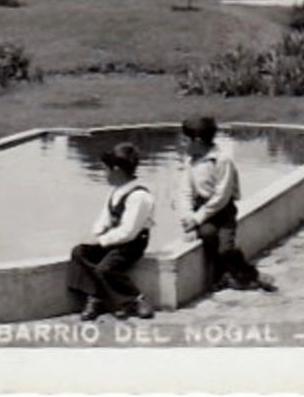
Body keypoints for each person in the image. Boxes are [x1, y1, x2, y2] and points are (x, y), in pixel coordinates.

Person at [179, 116, 276, 293]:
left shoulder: (221, 160)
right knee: (208, 234)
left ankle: (250, 274)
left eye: (185, 140)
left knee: (225, 248)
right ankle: (219, 276)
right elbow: (185, 192)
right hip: (201, 208)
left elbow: (221, 196)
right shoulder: (190, 161)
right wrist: (189, 219)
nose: (182, 144)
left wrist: (198, 217)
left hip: (223, 211)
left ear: (198, 140)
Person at [69, 142, 156, 321]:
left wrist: (101, 241)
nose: (104, 175)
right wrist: (95, 234)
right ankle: (99, 297)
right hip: (115, 239)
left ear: (117, 171)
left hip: (132, 243)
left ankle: (135, 299)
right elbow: (105, 218)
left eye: (106, 170)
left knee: (106, 268)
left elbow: (128, 232)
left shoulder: (139, 196)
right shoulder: (115, 192)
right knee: (79, 252)